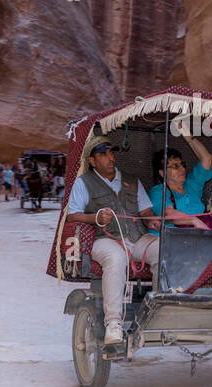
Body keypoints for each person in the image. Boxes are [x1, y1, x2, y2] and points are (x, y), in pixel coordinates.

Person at [66, 138, 163, 345]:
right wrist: (96, 218)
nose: (111, 157)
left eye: (112, 153)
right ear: (92, 161)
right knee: (116, 257)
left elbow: (145, 212)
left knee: (164, 250)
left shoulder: (132, 180)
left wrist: (152, 221)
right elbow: (72, 216)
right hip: (105, 240)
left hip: (137, 238)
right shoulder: (84, 183)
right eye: (103, 154)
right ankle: (113, 324)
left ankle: (158, 311)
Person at [148, 134, 212, 232]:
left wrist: (187, 135)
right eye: (175, 166)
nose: (182, 169)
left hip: (200, 237)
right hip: (170, 240)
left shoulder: (192, 184)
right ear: (162, 173)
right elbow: (168, 214)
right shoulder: (158, 191)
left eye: (182, 165)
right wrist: (193, 220)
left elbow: (207, 158)